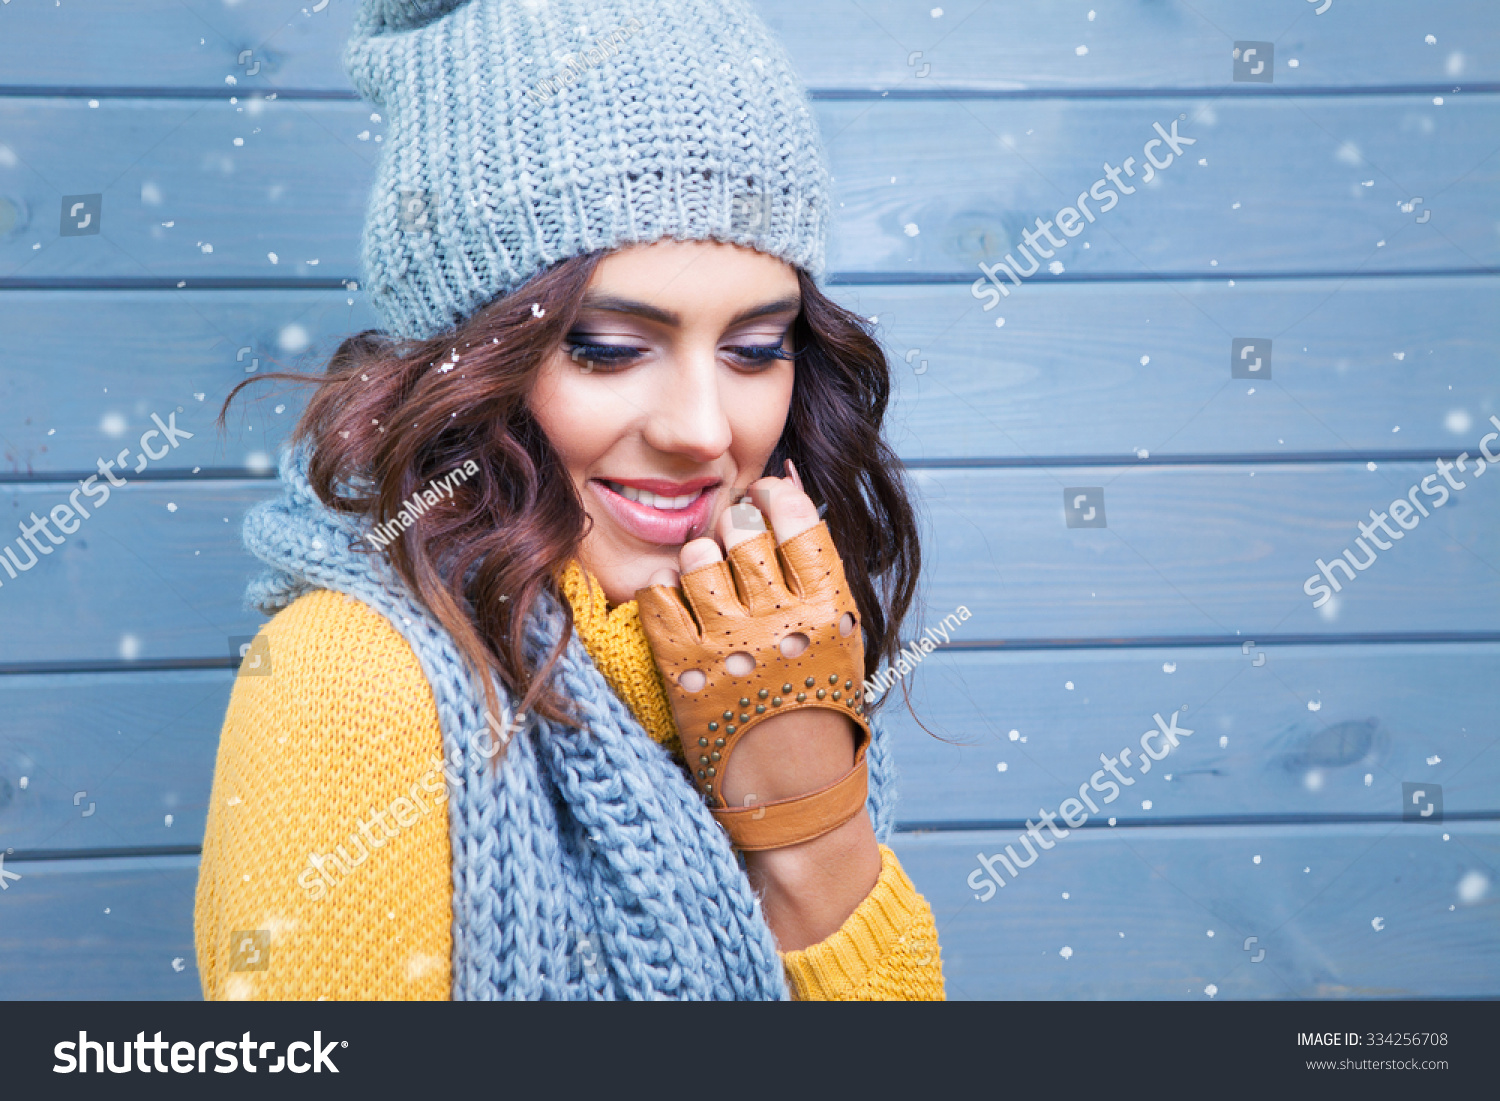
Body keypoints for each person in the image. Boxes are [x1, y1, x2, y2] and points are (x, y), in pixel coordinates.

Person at [194, 0, 944, 1000]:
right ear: (466, 366)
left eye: (757, 350)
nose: (704, 428)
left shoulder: (774, 640)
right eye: (607, 349)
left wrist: (814, 826)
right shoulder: (354, 685)